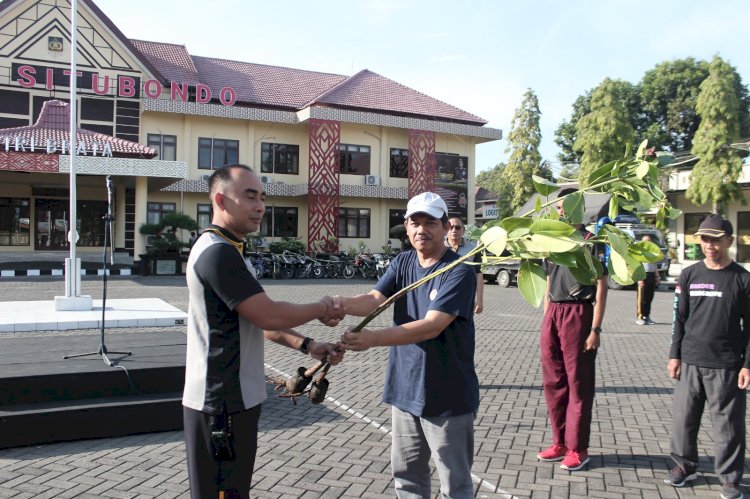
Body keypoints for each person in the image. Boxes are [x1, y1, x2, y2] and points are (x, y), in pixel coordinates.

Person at [183, 164, 344, 499]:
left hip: (232, 399)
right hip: (221, 401)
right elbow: (267, 314)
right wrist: (321, 308)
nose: (260, 206)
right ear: (221, 201)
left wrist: (308, 345)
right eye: (249, 196)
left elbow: (254, 319)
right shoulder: (218, 253)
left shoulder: (229, 248)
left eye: (262, 198)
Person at [337, 192, 479, 498]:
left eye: (430, 222)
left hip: (448, 395)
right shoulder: (402, 261)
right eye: (415, 222)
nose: (421, 229)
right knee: (406, 477)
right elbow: (374, 300)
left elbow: (431, 326)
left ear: (444, 227)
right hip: (405, 388)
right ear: (406, 225)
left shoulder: (459, 271)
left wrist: (371, 339)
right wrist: (338, 304)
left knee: (455, 484)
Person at [665, 214, 750, 499]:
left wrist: (747, 365)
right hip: (690, 361)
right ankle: (684, 466)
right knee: (684, 420)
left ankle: (729, 478)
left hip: (726, 365)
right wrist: (674, 355)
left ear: (729, 240)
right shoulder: (690, 274)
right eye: (704, 239)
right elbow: (679, 318)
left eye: (716, 239)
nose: (710, 245)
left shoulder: (742, 279)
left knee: (728, 426)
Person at [537, 188, 607, 471]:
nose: (562, 211)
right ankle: (560, 442)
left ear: (578, 207)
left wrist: (596, 329)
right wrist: (546, 318)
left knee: (578, 384)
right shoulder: (553, 241)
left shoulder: (590, 241)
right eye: (559, 207)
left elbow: (601, 286)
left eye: (567, 206)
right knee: (554, 383)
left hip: (579, 313)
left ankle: (578, 448)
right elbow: (546, 282)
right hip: (553, 313)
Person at [445, 216, 484, 314]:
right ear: (446, 229)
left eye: (457, 227)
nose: (454, 230)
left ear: (463, 230)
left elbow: (478, 274)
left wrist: (479, 300)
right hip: (442, 295)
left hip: (465, 297)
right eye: (451, 227)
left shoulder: (474, 249)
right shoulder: (438, 248)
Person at [635, 234, 660, 325]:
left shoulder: (652, 253)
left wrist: (657, 276)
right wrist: (639, 279)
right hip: (643, 276)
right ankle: (640, 317)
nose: (647, 243)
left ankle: (647, 316)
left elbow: (655, 265)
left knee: (649, 297)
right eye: (645, 241)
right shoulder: (639, 252)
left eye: (649, 241)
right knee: (642, 298)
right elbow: (637, 266)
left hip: (651, 275)